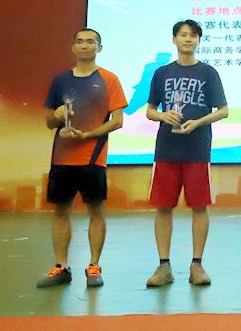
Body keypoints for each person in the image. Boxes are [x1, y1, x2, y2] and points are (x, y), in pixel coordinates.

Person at [36, 28, 127, 288]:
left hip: (92, 158)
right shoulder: (60, 81)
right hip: (62, 158)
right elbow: (49, 122)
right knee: (61, 211)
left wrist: (87, 134)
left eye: (90, 42)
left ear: (99, 48)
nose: (85, 46)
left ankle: (94, 266)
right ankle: (61, 267)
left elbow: (117, 121)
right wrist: (56, 116)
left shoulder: (109, 79)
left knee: (96, 211)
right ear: (73, 47)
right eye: (80, 41)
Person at [144, 19, 228, 287]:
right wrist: (163, 116)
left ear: (199, 40)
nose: (188, 39)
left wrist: (198, 122)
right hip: (166, 149)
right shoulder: (162, 73)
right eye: (183, 35)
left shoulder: (208, 73)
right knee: (163, 207)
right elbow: (150, 110)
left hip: (197, 149)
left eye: (193, 35)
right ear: (174, 40)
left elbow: (223, 110)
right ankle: (163, 266)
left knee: (199, 206)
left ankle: (197, 265)